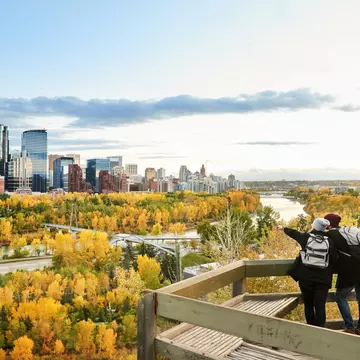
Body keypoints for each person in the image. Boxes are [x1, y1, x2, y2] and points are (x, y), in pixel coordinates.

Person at [278, 218, 337, 327]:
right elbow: (334, 259)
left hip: (306, 277)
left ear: (314, 226)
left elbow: (294, 233)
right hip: (323, 279)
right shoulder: (329, 241)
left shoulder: (306, 237)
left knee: (308, 304)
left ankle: (310, 329)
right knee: (320, 305)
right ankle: (321, 331)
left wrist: (283, 228)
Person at [325, 213, 360, 335]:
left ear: (327, 224)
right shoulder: (348, 231)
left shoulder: (331, 235)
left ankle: (349, 327)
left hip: (349, 271)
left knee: (340, 296)